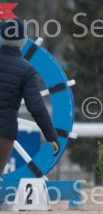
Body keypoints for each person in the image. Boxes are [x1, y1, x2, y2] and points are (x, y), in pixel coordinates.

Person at [0, 18, 60, 178]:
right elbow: (36, 107)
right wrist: (51, 135)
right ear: (24, 41)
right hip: (3, 134)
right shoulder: (27, 71)